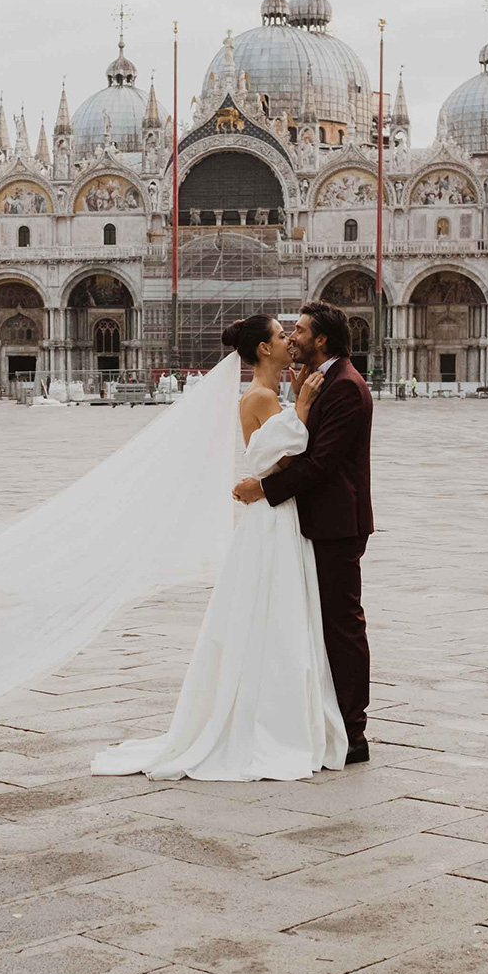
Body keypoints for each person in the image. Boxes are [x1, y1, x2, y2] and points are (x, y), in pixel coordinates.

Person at [92, 314, 348, 780]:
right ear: (265, 350)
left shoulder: (268, 395)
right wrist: (304, 407)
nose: (289, 338)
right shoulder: (259, 396)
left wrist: (296, 403)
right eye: (279, 334)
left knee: (279, 611)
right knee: (279, 613)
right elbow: (287, 455)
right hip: (273, 518)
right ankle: (274, 720)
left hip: (275, 514)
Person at [233, 302, 374, 766]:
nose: (292, 337)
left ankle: (353, 732)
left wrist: (263, 489)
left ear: (323, 341)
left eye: (300, 330)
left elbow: (320, 463)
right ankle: (321, 718)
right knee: (317, 624)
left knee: (341, 625)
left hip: (336, 524)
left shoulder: (346, 388)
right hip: (312, 521)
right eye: (286, 331)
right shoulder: (317, 383)